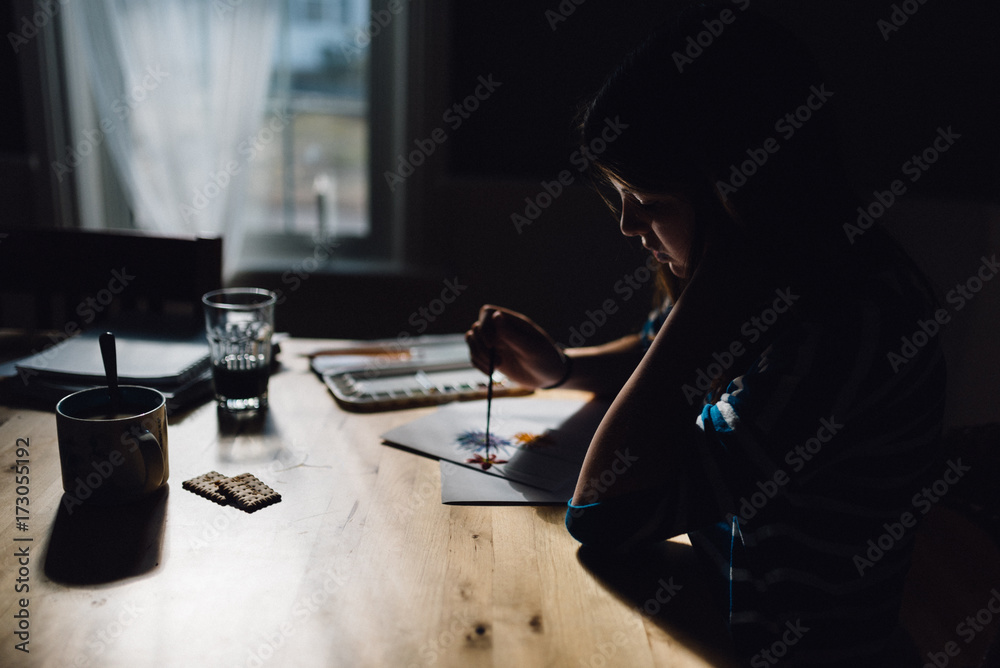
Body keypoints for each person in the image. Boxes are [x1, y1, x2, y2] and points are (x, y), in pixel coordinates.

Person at [465, 2, 946, 665]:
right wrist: (562, 369)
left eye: (652, 202)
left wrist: (718, 283)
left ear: (745, 198)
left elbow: (605, 515)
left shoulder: (840, 330)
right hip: (715, 604)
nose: (629, 226)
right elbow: (659, 353)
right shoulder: (791, 275)